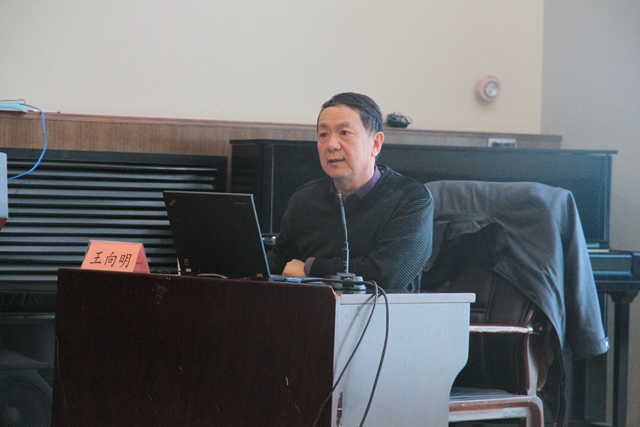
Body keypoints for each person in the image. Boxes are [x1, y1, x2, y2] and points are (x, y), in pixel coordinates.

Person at [266, 92, 433, 291]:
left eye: (344, 133)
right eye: (323, 135)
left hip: (380, 310)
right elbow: (281, 261)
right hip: (310, 308)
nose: (331, 145)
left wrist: (311, 268)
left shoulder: (411, 199)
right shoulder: (304, 199)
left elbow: (385, 275)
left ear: (375, 143)